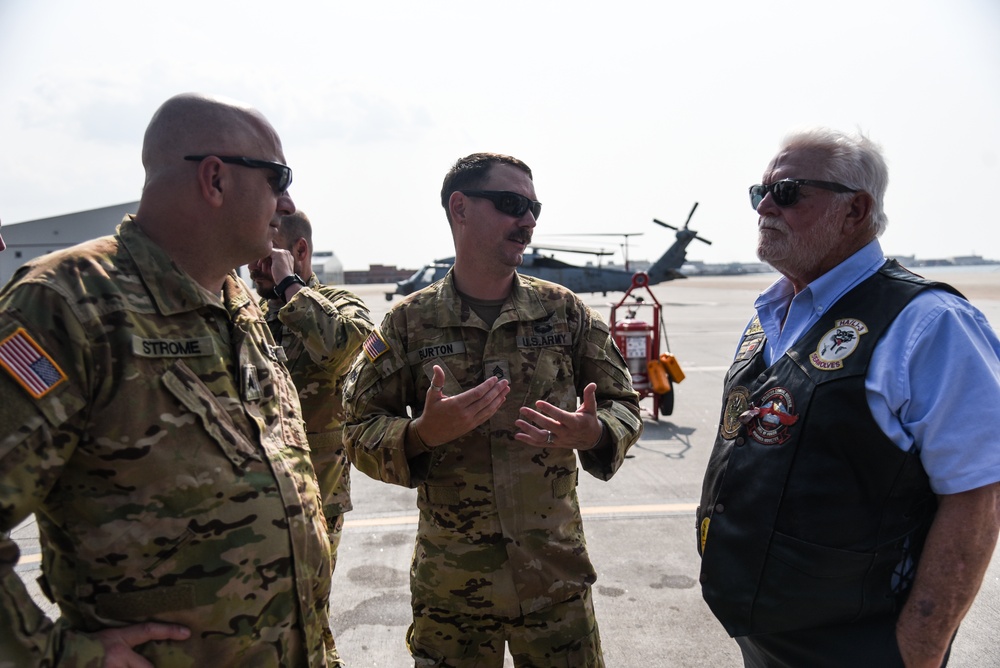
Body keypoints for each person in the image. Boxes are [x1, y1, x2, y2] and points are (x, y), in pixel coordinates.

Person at [0, 93, 337, 666]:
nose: (287, 201)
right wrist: (56, 656)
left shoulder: (239, 304)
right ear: (214, 179)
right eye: (278, 177)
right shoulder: (67, 303)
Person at [697, 128, 1000, 668]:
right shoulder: (773, 312)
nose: (764, 206)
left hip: (857, 645)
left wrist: (917, 652)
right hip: (763, 633)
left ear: (855, 209)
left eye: (787, 191)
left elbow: (979, 495)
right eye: (759, 192)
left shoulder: (929, 324)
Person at [342, 152, 642, 667]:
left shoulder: (564, 312)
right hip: (453, 592)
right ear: (460, 208)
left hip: (553, 583)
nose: (527, 221)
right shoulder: (409, 323)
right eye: (511, 205)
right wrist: (419, 434)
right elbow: (355, 428)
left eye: (533, 208)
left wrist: (593, 433)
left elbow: (625, 405)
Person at [249, 210, 374, 667]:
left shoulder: (340, 305)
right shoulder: (249, 317)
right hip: (252, 501)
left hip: (318, 495)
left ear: (298, 252)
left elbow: (342, 349)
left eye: (264, 260)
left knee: (310, 616)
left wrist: (289, 289)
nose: (253, 270)